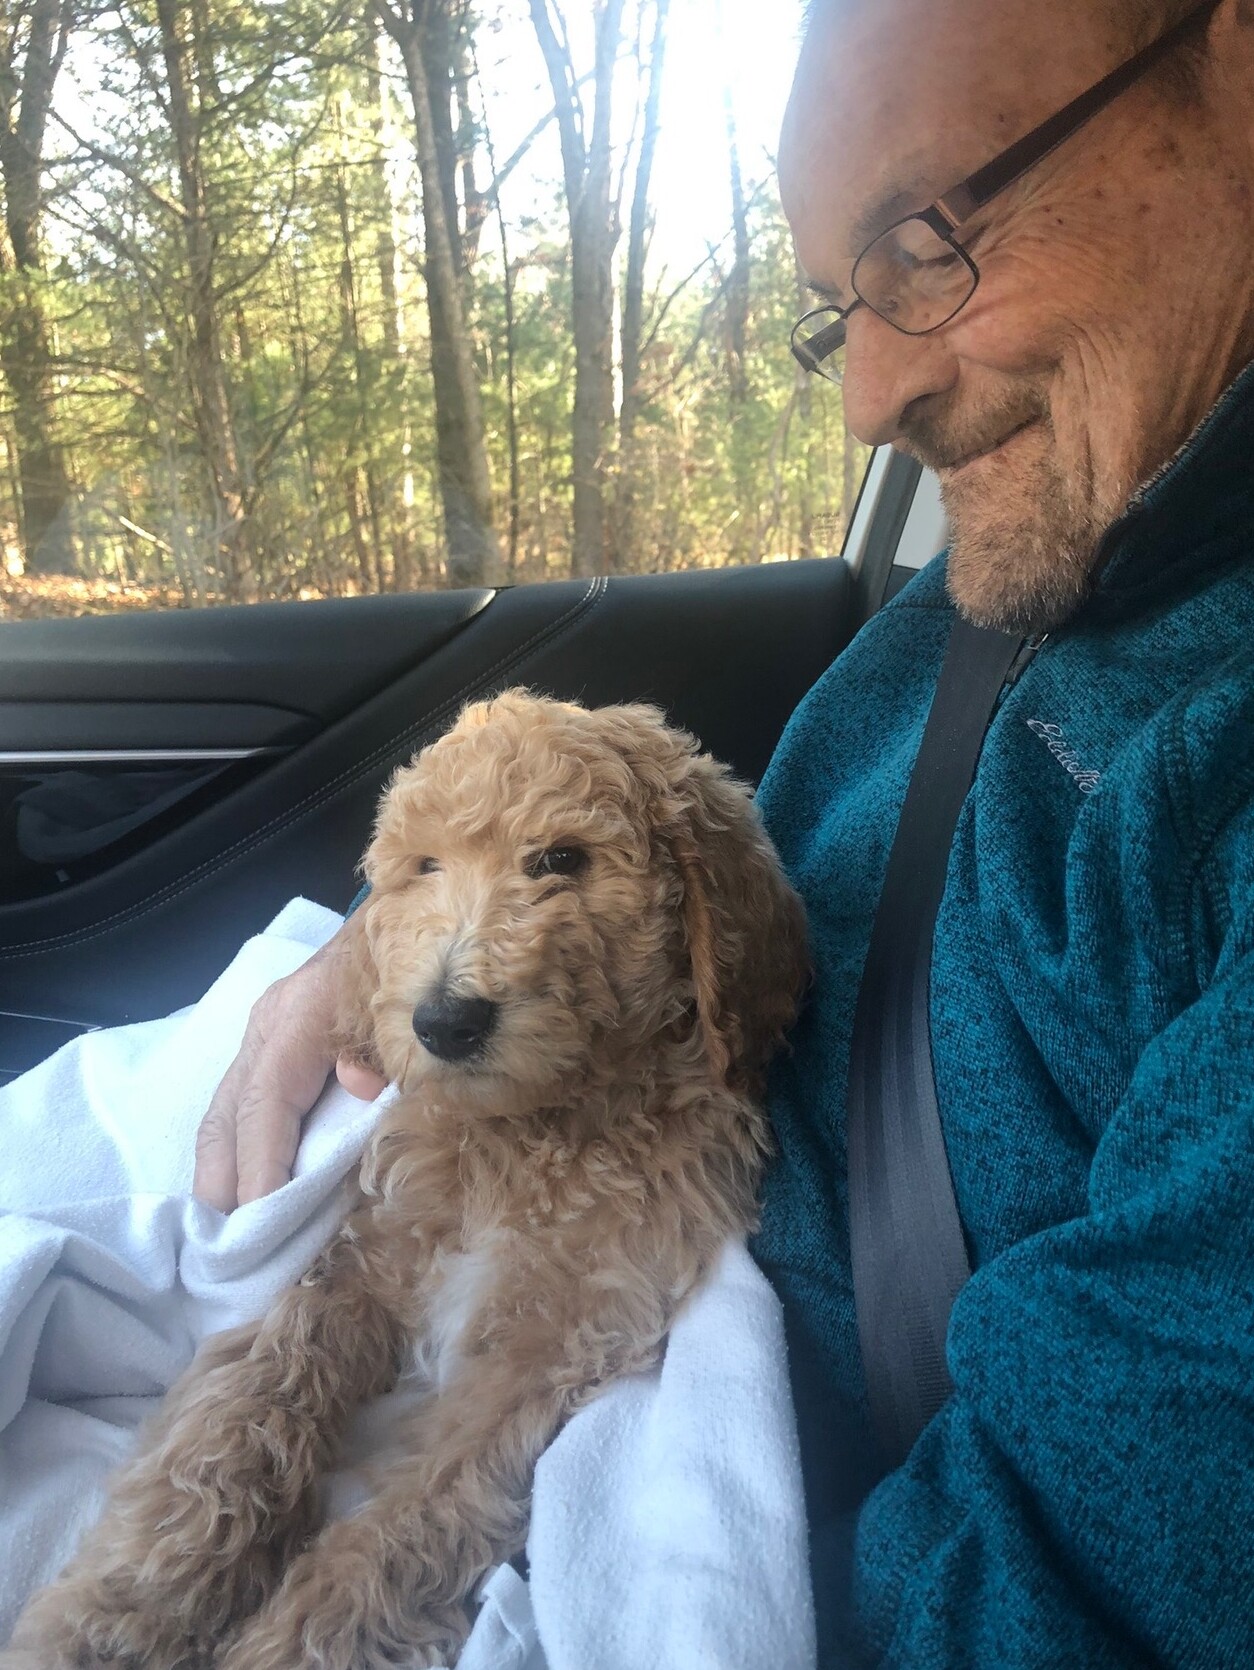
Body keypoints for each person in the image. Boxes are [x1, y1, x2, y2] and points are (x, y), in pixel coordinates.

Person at [194, 0, 1254, 1662]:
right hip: (537, 1178)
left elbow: (1073, 1576)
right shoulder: (1040, 537)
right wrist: (400, 947)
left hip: (681, 1473)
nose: (870, 396)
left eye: (927, 242)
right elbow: (744, 871)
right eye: (840, 309)